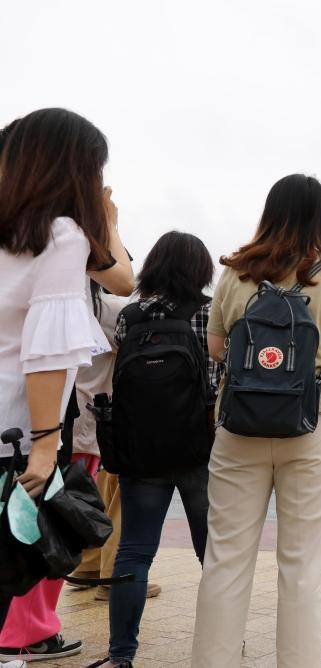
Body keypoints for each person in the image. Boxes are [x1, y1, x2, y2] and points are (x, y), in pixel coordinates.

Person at [191, 174, 321, 667]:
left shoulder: (236, 272)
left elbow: (216, 347)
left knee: (225, 558)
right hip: (312, 426)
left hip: (239, 424)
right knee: (303, 565)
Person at [0, 108, 133, 663]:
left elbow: (119, 279)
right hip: (14, 431)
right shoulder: (61, 234)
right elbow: (47, 352)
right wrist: (45, 445)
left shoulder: (17, 231)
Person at [87, 232, 223, 668]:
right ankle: (220, 645)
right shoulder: (210, 313)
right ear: (201, 269)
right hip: (199, 450)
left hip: (141, 451)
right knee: (213, 553)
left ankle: (120, 654)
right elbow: (221, 376)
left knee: (134, 551)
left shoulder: (130, 316)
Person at [66, 286, 164, 603]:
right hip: (102, 416)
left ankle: (89, 565)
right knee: (125, 492)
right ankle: (113, 574)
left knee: (94, 490)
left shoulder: (71, 305)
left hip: (69, 414)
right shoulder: (111, 308)